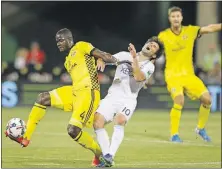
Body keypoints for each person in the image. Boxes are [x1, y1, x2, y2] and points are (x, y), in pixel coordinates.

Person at [5, 28, 120, 166]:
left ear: (69, 39)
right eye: (57, 41)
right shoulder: (67, 60)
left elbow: (101, 54)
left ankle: (99, 153)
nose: (58, 43)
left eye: (61, 40)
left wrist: (114, 60)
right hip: (74, 92)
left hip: (88, 92)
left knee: (73, 130)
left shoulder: (81, 46)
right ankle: (26, 137)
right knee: (43, 98)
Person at [93, 37, 164, 167]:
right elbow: (107, 58)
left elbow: (138, 77)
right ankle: (106, 155)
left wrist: (134, 58)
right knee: (97, 122)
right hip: (112, 96)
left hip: (128, 99)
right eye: (150, 43)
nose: (151, 45)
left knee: (120, 120)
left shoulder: (149, 67)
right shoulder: (124, 55)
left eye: (154, 47)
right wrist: (100, 59)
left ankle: (110, 156)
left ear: (154, 55)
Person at [157, 6, 222, 142]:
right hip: (172, 76)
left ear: (181, 18)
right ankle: (174, 134)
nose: (176, 18)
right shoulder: (163, 36)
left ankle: (200, 128)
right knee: (179, 100)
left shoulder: (191, 31)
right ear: (169, 19)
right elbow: (152, 52)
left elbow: (209, 28)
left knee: (207, 99)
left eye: (178, 16)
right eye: (173, 16)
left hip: (189, 75)